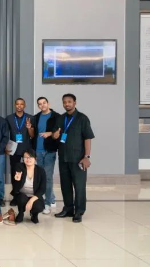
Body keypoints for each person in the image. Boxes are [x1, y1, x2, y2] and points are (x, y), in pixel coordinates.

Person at [53, 94, 95, 223]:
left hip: (78, 159)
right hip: (63, 158)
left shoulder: (82, 118)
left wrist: (86, 157)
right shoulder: (61, 118)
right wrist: (55, 135)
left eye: (69, 102)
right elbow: (55, 135)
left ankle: (79, 211)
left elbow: (87, 138)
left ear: (75, 103)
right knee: (65, 185)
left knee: (79, 186)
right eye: (64, 102)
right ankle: (68, 209)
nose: (67, 104)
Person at [31, 96, 60, 214]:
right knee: (40, 177)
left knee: (48, 177)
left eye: (44, 103)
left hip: (49, 151)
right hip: (38, 151)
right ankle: (50, 198)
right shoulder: (36, 117)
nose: (42, 105)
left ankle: (47, 203)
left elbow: (59, 132)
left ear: (48, 103)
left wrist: (50, 133)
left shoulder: (56, 116)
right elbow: (33, 134)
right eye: (40, 104)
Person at [3, 149, 46, 226]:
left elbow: (43, 189)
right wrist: (17, 180)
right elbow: (16, 189)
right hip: (22, 194)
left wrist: (31, 200)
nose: (28, 159)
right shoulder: (19, 167)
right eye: (26, 157)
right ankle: (20, 213)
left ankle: (34, 214)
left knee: (39, 206)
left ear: (35, 159)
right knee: (21, 199)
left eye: (30, 157)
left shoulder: (41, 170)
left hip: (34, 195)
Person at [5, 98, 34, 205]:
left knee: (27, 173)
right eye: (17, 104)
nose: (19, 106)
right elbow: (5, 134)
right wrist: (5, 147)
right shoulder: (9, 118)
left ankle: (27, 195)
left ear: (24, 105)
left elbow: (32, 135)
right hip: (14, 150)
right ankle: (16, 196)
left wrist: (29, 127)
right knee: (15, 173)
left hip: (27, 149)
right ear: (15, 105)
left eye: (21, 104)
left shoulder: (30, 118)